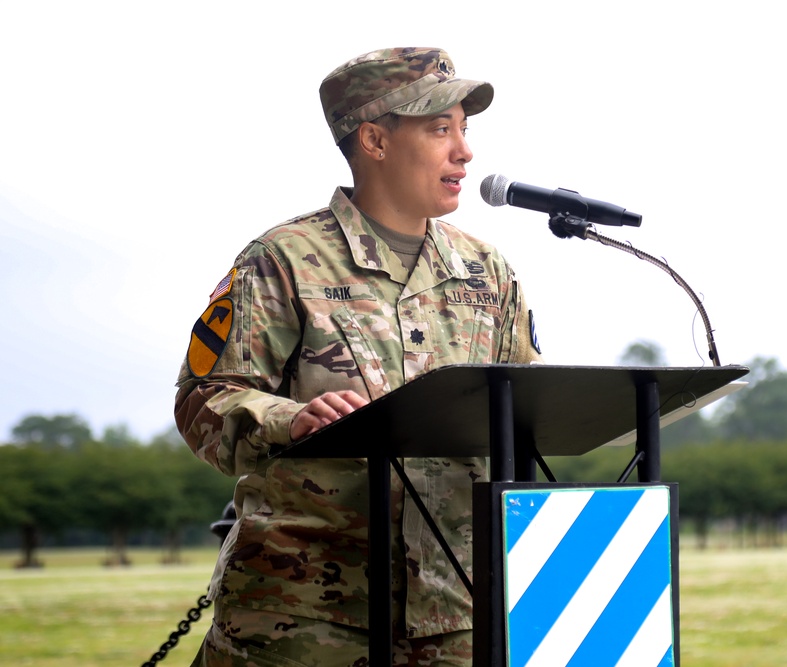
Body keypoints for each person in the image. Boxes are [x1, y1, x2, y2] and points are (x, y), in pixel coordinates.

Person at [175, 47, 543, 666]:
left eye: (464, 129)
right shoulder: (282, 259)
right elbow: (204, 400)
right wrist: (289, 419)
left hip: (458, 610)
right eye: (439, 130)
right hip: (305, 612)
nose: (465, 152)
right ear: (374, 140)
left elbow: (525, 411)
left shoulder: (488, 271)